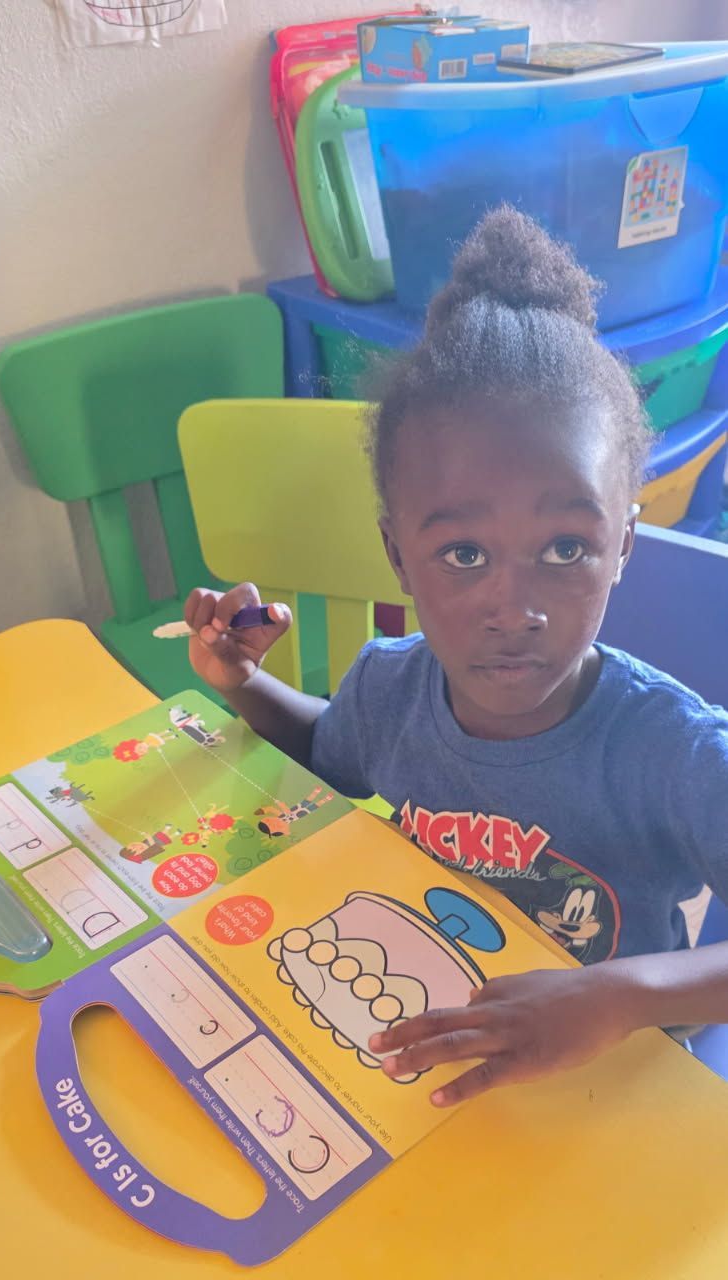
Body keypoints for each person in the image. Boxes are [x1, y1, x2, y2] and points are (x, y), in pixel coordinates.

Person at [185, 205, 728, 1106]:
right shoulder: (390, 686)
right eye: (464, 555)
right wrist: (242, 685)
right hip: (428, 1055)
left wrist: (618, 994)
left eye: (563, 549)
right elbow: (333, 751)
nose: (512, 610)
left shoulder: (672, 751)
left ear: (623, 544)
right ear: (398, 556)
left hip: (619, 1093)